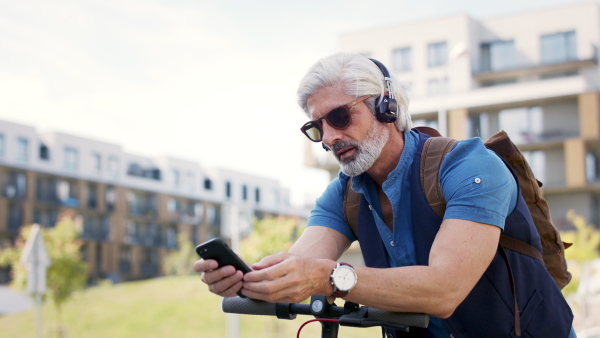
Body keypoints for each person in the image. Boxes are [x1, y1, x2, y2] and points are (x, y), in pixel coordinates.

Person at [194, 53, 574, 337]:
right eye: (316, 128)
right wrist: (249, 279)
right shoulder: (343, 194)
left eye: (340, 117)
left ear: (386, 106)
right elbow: (301, 267)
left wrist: (330, 278)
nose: (327, 138)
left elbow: (444, 290)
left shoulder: (470, 167)